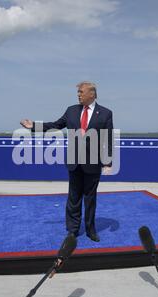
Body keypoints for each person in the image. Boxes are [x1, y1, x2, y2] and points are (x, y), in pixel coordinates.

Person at [20, 81, 114, 242]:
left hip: (93, 163)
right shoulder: (71, 111)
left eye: (81, 92)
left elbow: (109, 138)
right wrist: (33, 126)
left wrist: (108, 162)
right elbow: (56, 125)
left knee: (90, 199)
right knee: (73, 197)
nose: (78, 95)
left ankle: (91, 230)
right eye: (78, 92)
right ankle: (73, 230)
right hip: (74, 161)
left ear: (92, 94)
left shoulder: (105, 113)